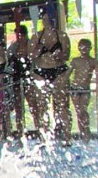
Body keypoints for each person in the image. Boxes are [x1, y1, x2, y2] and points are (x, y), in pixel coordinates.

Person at [29, 9, 71, 142]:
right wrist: (38, 51)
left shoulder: (62, 36)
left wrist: (60, 55)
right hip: (41, 72)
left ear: (54, 20)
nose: (46, 22)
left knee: (62, 107)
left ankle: (67, 138)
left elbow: (67, 56)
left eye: (49, 19)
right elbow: (30, 56)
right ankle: (45, 139)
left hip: (58, 71)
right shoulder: (36, 36)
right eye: (44, 19)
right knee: (42, 107)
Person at [69, 38, 98, 143]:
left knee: (83, 109)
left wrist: (97, 74)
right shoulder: (75, 61)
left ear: (90, 48)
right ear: (78, 48)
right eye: (81, 47)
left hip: (85, 88)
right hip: (75, 88)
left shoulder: (93, 61)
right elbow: (68, 73)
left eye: (85, 47)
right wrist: (62, 83)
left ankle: (86, 129)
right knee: (79, 111)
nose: (83, 49)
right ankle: (83, 134)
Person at [7, 25, 32, 137]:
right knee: (19, 109)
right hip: (17, 80)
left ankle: (41, 133)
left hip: (30, 79)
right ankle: (21, 133)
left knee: (34, 107)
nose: (19, 38)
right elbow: (8, 60)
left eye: (21, 35)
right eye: (18, 35)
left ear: (25, 35)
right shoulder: (13, 47)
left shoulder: (31, 45)